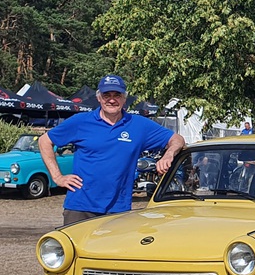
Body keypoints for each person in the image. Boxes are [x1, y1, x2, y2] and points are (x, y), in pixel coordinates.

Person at [39, 74, 185, 225]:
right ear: (99, 98)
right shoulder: (81, 121)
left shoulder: (139, 125)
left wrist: (169, 154)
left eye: (117, 95)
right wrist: (57, 177)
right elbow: (45, 141)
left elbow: (177, 140)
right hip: (80, 207)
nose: (112, 100)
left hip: (118, 209)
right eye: (106, 95)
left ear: (124, 99)